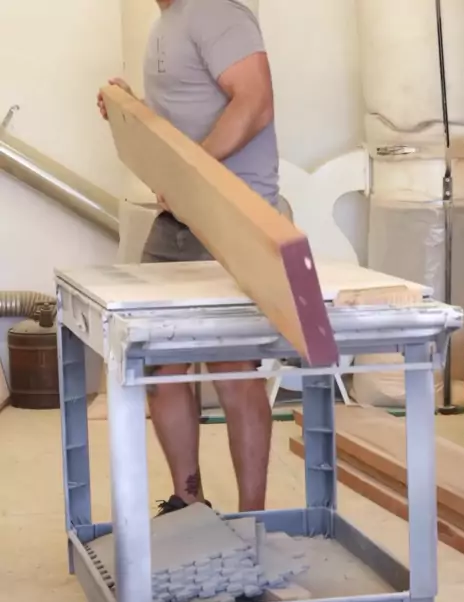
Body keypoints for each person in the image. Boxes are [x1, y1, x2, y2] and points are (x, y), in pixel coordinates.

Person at [97, 0, 284, 516]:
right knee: (160, 363)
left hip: (231, 217)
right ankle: (189, 500)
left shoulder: (216, 12)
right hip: (178, 219)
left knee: (232, 368)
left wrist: (188, 172)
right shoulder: (166, 22)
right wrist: (133, 113)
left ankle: (251, 518)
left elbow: (256, 102)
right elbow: (185, 127)